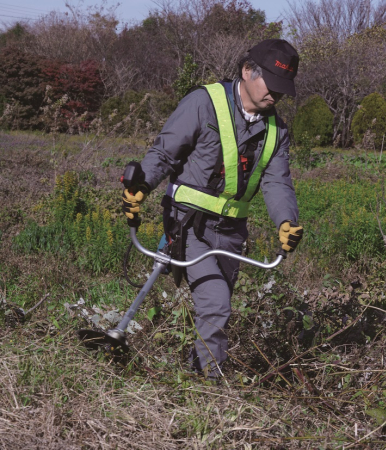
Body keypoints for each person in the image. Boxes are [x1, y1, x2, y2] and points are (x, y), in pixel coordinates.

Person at [122, 39, 303, 379]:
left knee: (215, 310)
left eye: (282, 89)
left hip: (232, 234)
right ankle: (213, 387)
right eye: (271, 86)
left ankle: (194, 370)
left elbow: (278, 183)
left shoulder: (277, 130)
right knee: (217, 302)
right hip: (189, 225)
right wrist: (141, 186)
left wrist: (285, 222)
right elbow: (164, 153)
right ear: (248, 71)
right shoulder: (203, 103)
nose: (275, 96)